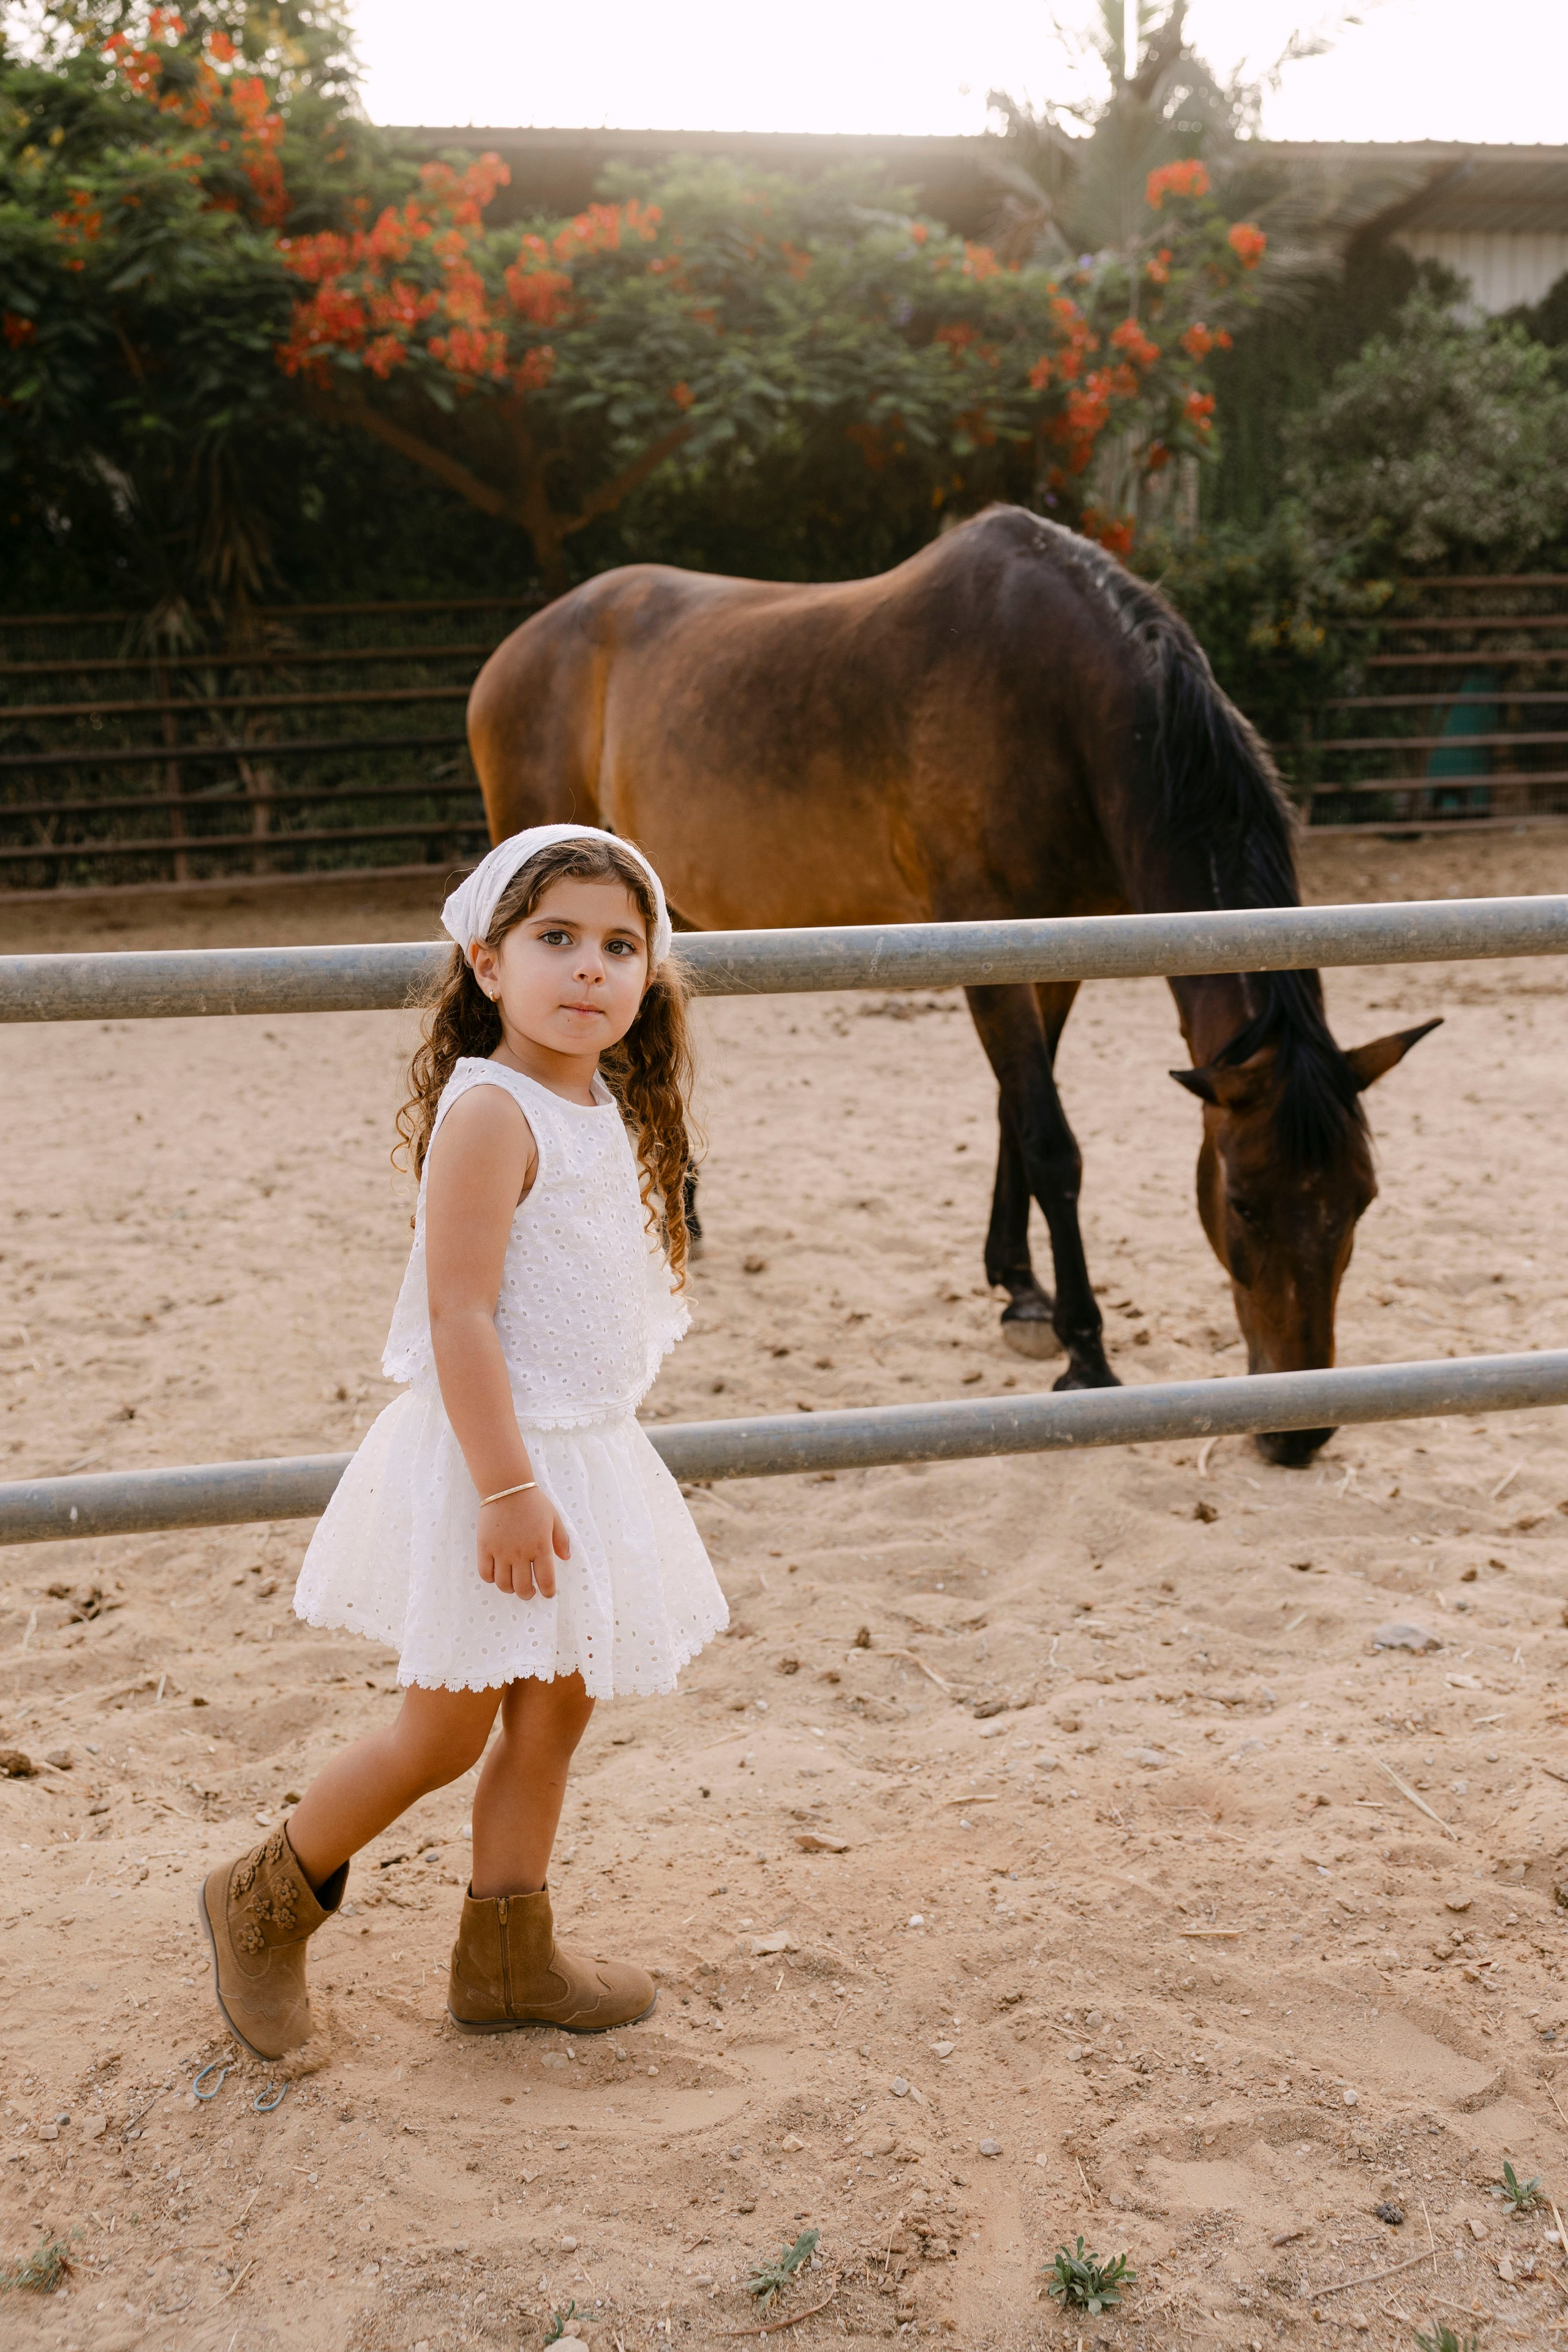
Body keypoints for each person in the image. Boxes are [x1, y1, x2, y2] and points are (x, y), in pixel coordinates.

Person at [197, 825, 728, 2060]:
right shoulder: (491, 1112)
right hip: (498, 1460)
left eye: (618, 945)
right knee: (441, 1728)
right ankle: (262, 1898)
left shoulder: (602, 1099)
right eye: (555, 941)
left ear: (649, 972)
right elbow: (459, 1315)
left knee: (555, 1713)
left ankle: (506, 1956)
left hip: (582, 1458)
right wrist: (504, 1487)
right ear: (485, 964)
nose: (588, 970)